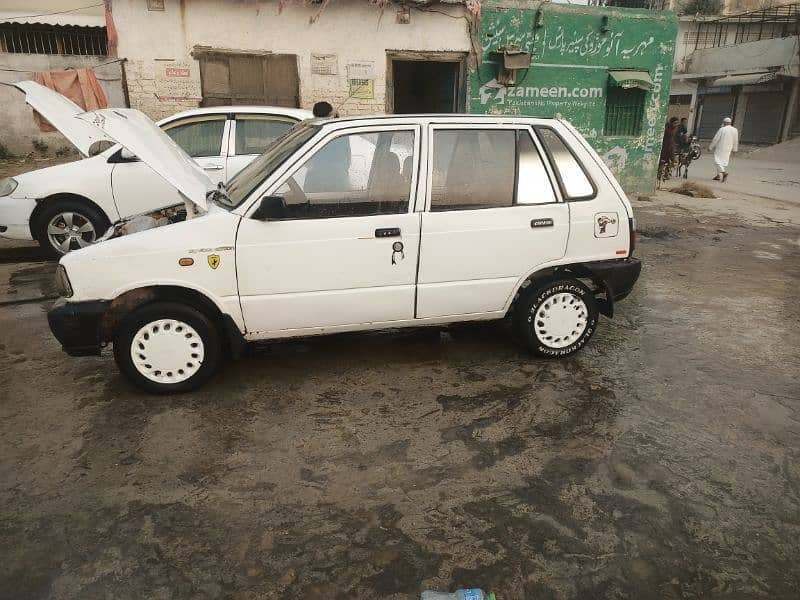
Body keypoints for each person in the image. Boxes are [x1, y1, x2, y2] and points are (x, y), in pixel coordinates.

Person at [709, 117, 738, 182]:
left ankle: (723, 173)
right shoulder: (735, 130)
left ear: (724, 123)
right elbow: (736, 140)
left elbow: (716, 139)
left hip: (720, 148)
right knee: (723, 162)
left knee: (717, 161)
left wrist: (710, 147)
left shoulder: (722, 129)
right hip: (728, 149)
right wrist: (734, 149)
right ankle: (718, 175)